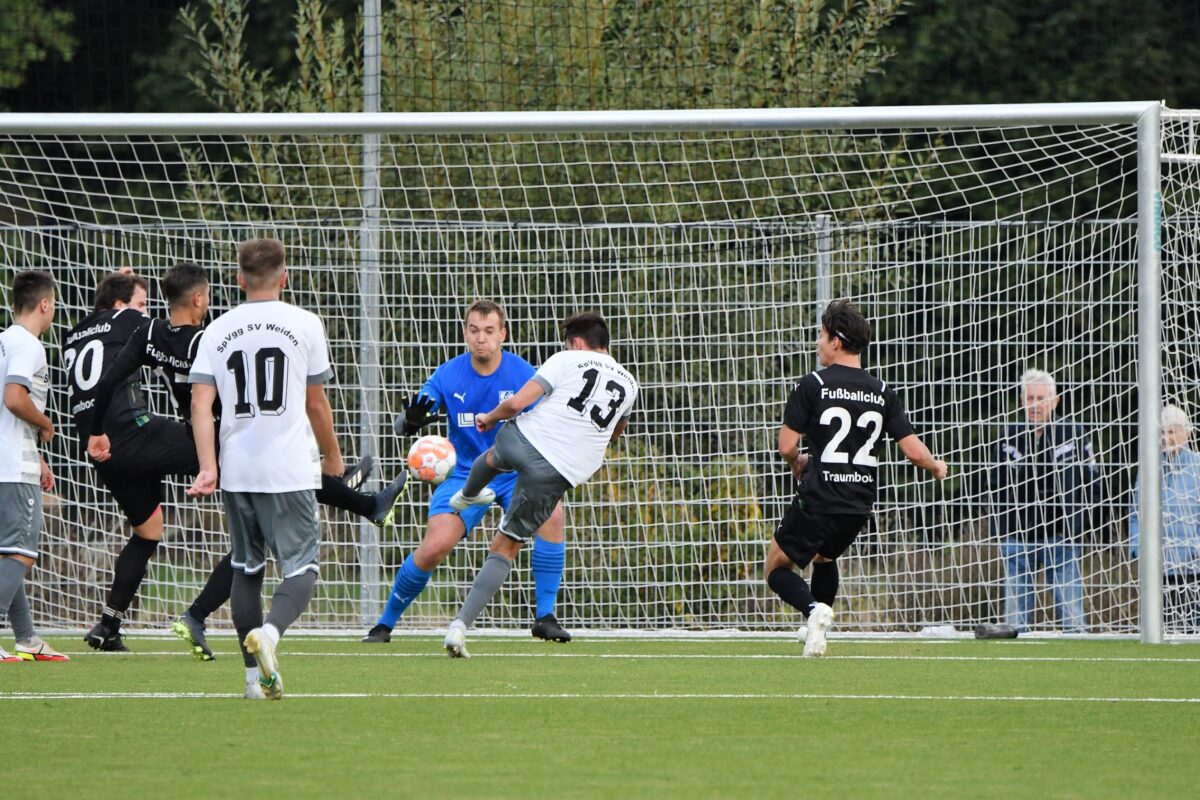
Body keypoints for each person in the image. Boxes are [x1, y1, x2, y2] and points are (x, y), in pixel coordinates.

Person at [85, 261, 404, 660]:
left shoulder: (151, 334)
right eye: (206, 297)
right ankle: (364, 502)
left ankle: (196, 619)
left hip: (201, 439)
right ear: (198, 299)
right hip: (234, 439)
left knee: (249, 550)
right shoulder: (209, 339)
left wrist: (96, 430)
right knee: (268, 528)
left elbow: (109, 380)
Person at [187, 237, 344, 700]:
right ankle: (271, 634)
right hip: (288, 468)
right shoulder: (306, 323)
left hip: (238, 468)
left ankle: (254, 683)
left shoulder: (216, 330)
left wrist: (208, 466)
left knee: (246, 568)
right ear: (285, 277)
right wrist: (333, 456)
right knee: (303, 567)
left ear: (239, 279)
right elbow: (316, 403)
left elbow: (200, 403)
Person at [361, 299, 571, 645]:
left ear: (503, 334)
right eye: (474, 330)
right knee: (434, 547)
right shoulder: (448, 375)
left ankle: (545, 617)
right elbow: (403, 424)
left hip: (515, 472)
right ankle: (384, 625)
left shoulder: (523, 373)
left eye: (489, 331)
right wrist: (410, 421)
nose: (480, 338)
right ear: (465, 333)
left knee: (554, 515)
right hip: (464, 473)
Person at [442, 310, 638, 658]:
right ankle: (458, 628)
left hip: (524, 439)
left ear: (576, 343)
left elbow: (517, 403)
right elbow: (613, 434)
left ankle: (467, 494)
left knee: (494, 455)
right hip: (555, 472)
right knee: (505, 546)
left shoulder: (566, 358)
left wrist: (489, 417)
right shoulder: (630, 384)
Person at [765, 299, 947, 657]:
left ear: (835, 341)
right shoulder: (881, 392)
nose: (818, 341)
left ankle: (814, 611)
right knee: (824, 558)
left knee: (775, 567)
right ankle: (816, 632)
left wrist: (797, 461)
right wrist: (937, 467)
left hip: (819, 497)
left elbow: (786, 446)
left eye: (821, 335)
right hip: (858, 504)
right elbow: (914, 452)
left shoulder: (814, 384)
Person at [989, 368, 1100, 633]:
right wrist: (1002, 529)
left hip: (1061, 537)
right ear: (1021, 400)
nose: (1035, 405)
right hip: (1017, 537)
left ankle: (1078, 653)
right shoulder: (1008, 437)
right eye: (1030, 398)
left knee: (1073, 619)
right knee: (1015, 622)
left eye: (1041, 398)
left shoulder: (1075, 434)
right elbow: (993, 485)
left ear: (1055, 401)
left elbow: (1093, 482)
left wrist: (1079, 526)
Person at [0, 271, 69, 663]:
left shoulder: (3, 342)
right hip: (12, 467)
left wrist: (39, 458)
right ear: (45, 304)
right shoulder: (29, 345)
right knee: (22, 553)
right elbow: (13, 399)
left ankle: (26, 637)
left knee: (7, 553)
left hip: (10, 460)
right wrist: (45, 424)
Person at [1130, 404, 1200, 632]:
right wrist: (1137, 548)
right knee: (1161, 629)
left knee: (1192, 630)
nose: (1166, 437)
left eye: (1172, 431)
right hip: (1157, 566)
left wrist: (1196, 548)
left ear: (1187, 433)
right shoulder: (1149, 467)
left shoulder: (1197, 467)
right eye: (1162, 432)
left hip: (1193, 566)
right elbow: (1136, 512)